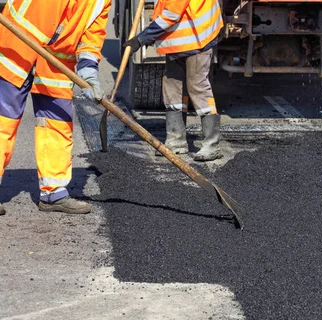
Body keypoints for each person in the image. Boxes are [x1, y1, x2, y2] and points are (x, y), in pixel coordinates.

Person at [0, 0, 111, 216]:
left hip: (56, 66)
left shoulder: (102, 2)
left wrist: (88, 71)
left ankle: (54, 194)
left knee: (57, 125)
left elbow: (91, 37)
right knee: (3, 122)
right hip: (17, 49)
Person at [124, 0, 224, 161]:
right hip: (178, 42)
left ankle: (212, 145)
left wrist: (142, 39)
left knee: (197, 86)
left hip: (198, 39)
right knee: (172, 88)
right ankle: (176, 142)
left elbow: (171, 14)